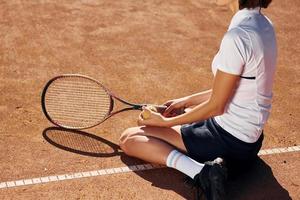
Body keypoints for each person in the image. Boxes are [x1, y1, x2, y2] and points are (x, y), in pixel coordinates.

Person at [119, 0, 276, 199]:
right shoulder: (264, 25)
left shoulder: (237, 37)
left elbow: (217, 105)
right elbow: (235, 88)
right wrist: (184, 102)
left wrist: (167, 122)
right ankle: (217, 162)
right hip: (250, 141)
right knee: (177, 117)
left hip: (228, 140)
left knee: (130, 138)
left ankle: (203, 173)